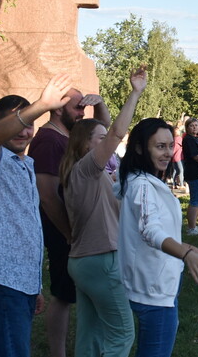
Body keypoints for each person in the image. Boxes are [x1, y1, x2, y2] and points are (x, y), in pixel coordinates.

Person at [0, 74, 73, 356]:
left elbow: (27, 227)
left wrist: (34, 284)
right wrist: (40, 105)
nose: (24, 131)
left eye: (29, 126)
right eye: (17, 124)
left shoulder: (26, 164)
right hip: (0, 279)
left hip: (21, 280)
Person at [60, 67, 146, 357]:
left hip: (84, 261)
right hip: (101, 260)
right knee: (122, 335)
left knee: (91, 336)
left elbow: (107, 127)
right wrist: (135, 92)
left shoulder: (87, 171)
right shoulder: (86, 169)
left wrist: (100, 104)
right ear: (85, 144)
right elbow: (116, 132)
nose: (107, 141)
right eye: (100, 138)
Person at [117, 118, 198, 357]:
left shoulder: (142, 180)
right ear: (141, 148)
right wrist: (186, 253)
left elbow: (161, 231)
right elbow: (150, 230)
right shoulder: (142, 185)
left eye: (169, 145)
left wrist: (192, 251)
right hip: (153, 289)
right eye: (159, 146)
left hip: (158, 284)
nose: (167, 152)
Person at [28, 85, 110, 357]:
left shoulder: (69, 135)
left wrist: (99, 104)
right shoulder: (50, 140)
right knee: (62, 295)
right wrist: (68, 233)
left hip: (77, 228)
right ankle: (58, 352)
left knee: (75, 293)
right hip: (62, 229)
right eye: (77, 107)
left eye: (84, 107)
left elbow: (105, 135)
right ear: (58, 107)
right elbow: (48, 196)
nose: (82, 111)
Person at [183, 117, 198, 235]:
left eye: (196, 125)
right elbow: (196, 156)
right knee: (195, 200)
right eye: (191, 125)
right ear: (187, 127)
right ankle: (191, 227)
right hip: (194, 173)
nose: (194, 127)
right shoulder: (188, 139)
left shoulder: (197, 139)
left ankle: (194, 225)